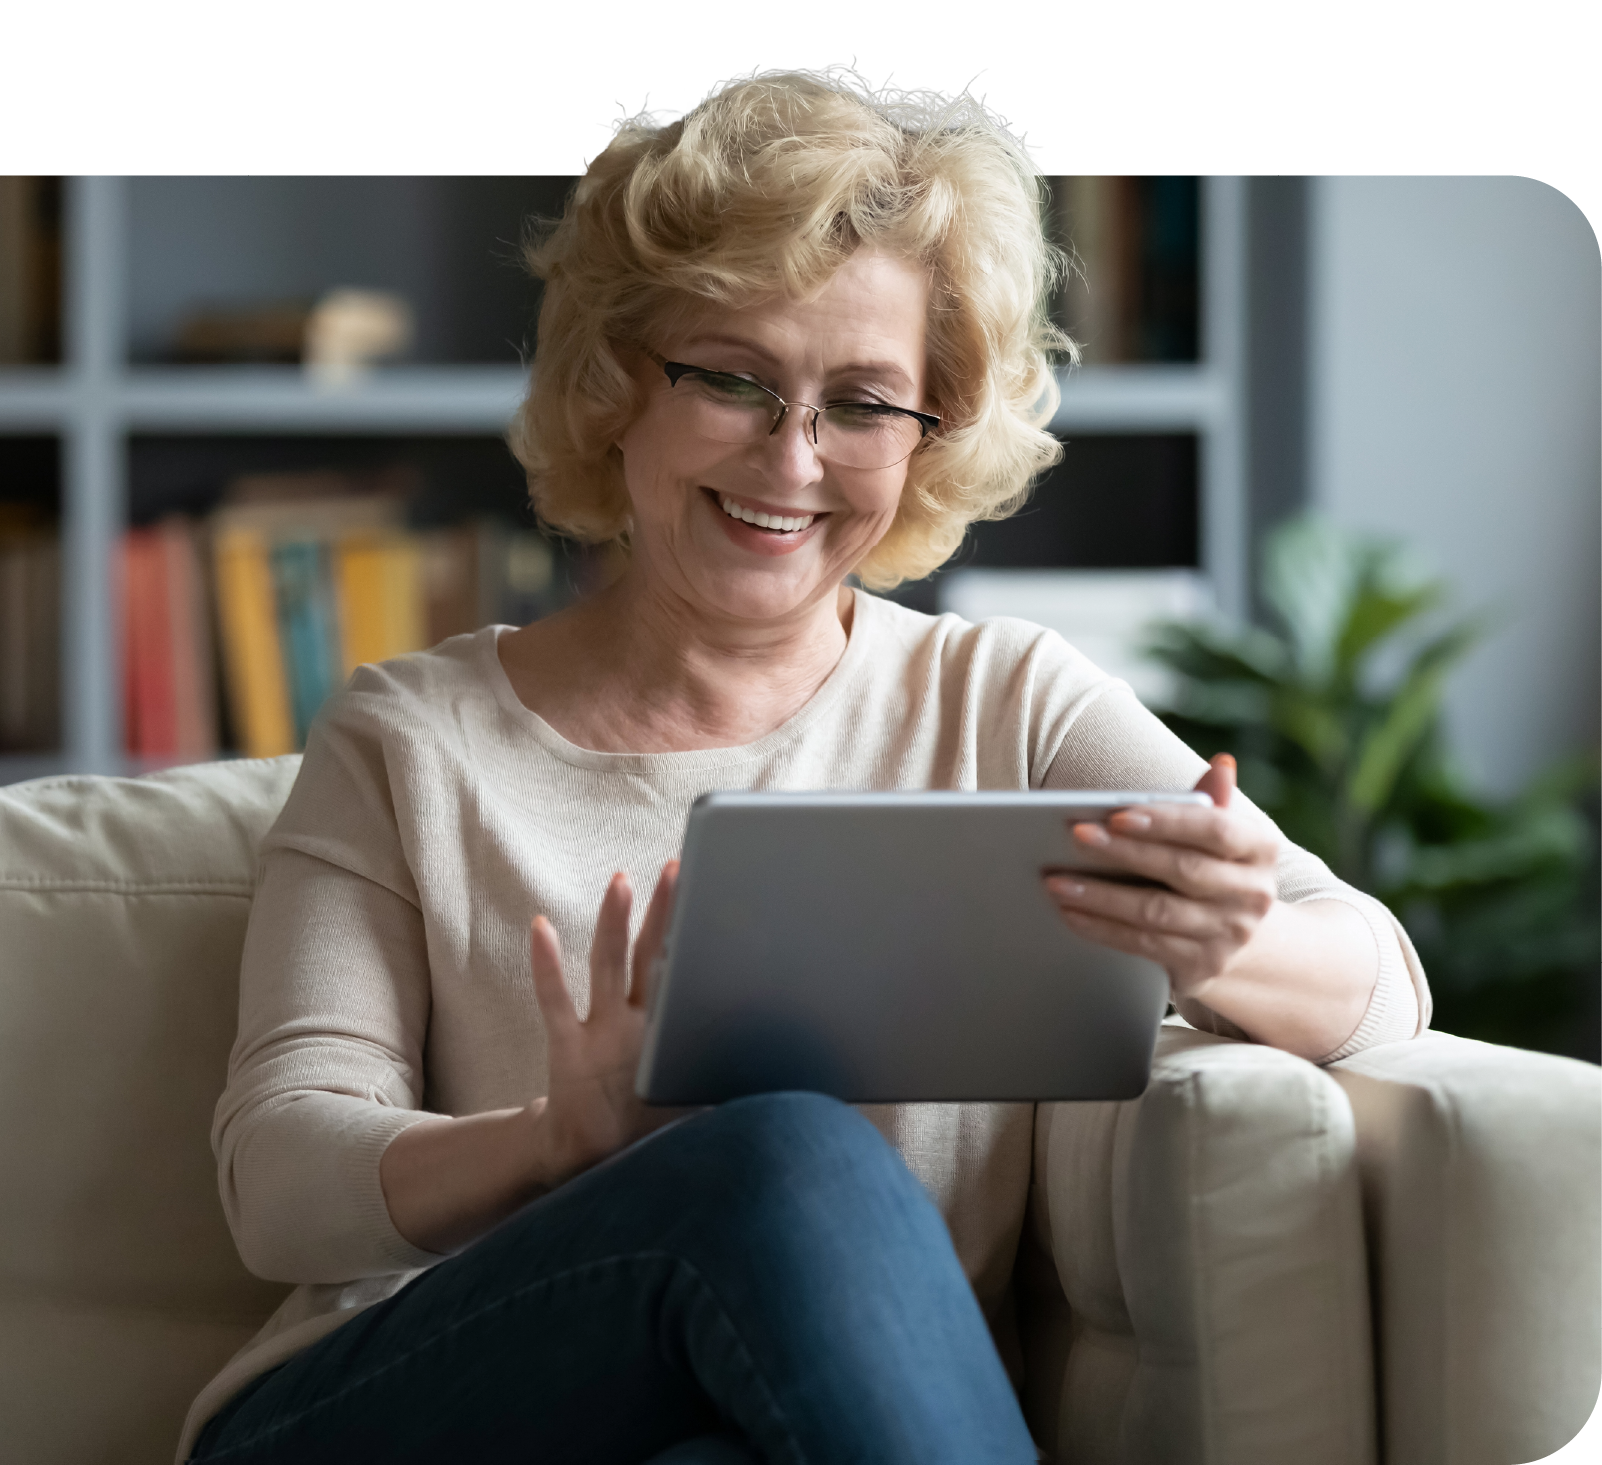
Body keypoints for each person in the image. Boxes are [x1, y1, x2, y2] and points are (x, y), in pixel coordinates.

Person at [179, 61, 1430, 1465]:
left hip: (788, 1424)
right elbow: (279, 1178)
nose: (793, 458)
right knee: (784, 1150)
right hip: (391, 1409)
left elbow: (1376, 980)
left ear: (930, 430)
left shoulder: (999, 701)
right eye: (733, 380)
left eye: (863, 403)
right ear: (615, 387)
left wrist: (1219, 944)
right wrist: (556, 1142)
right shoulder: (410, 737)